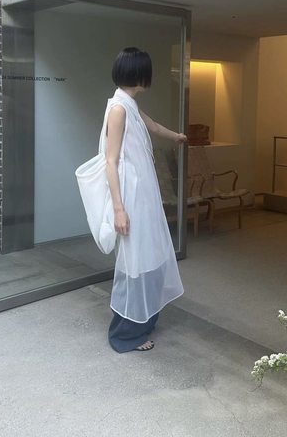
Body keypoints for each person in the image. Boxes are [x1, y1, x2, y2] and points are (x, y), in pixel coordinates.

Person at [104, 47, 185, 353]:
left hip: (143, 197)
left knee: (149, 257)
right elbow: (110, 161)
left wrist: (176, 136)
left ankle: (143, 320)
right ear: (139, 74)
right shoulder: (119, 110)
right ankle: (126, 334)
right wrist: (119, 209)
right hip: (132, 199)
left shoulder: (129, 105)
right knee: (135, 261)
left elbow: (153, 126)